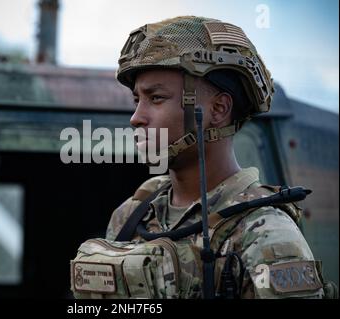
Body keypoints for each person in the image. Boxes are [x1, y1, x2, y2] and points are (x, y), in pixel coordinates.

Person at [71, 16, 334, 299]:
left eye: (156, 98)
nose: (137, 118)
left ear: (218, 109)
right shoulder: (132, 216)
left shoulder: (265, 233)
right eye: (137, 100)